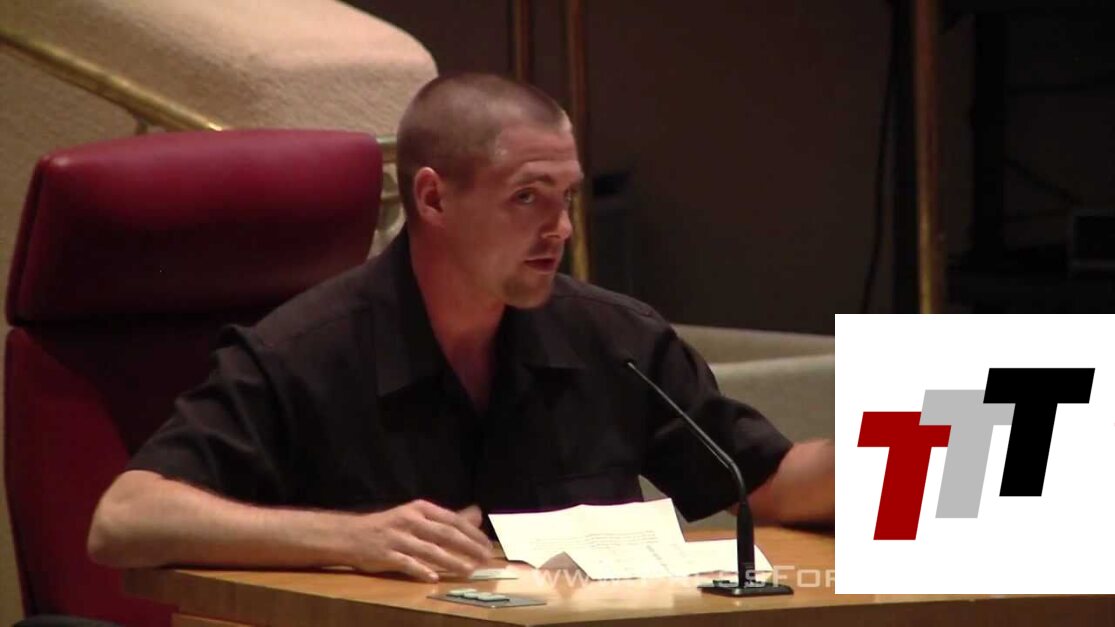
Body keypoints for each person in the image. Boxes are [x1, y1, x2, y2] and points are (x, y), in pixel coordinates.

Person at [87, 73, 834, 583]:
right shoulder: (305, 351)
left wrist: (897, 439)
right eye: (527, 198)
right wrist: (352, 538)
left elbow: (764, 484)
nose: (561, 229)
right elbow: (125, 519)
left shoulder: (615, 338)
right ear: (434, 200)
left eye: (568, 197)